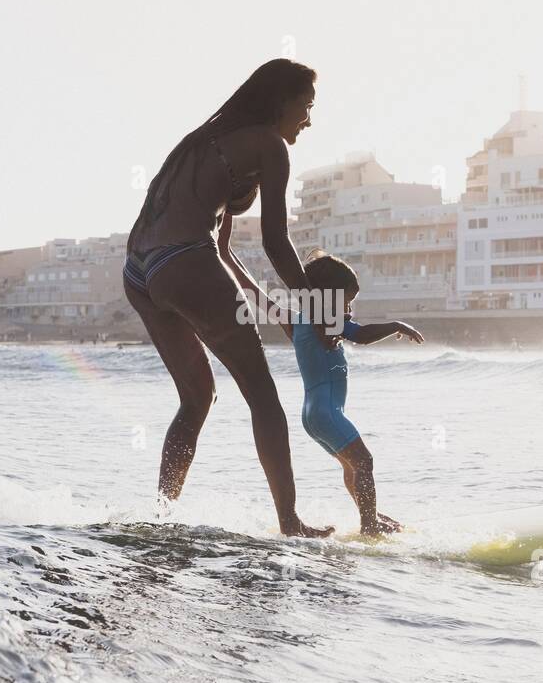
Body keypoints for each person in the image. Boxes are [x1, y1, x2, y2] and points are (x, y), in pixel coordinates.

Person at [122, 59, 334, 538]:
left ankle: (162, 516)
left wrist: (274, 309)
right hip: (184, 263)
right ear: (280, 101)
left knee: (197, 397)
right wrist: (314, 312)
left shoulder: (203, 143)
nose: (308, 119)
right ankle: (289, 522)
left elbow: (220, 252)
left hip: (139, 273)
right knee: (263, 395)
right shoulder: (269, 145)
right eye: (306, 106)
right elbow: (276, 243)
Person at [235, 251, 424, 537]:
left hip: (313, 415)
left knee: (352, 466)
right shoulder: (323, 318)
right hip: (325, 413)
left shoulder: (296, 320)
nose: (349, 309)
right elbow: (360, 335)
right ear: (329, 297)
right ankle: (370, 527)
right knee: (364, 462)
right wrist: (397, 325)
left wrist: (225, 253)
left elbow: (255, 294)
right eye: (347, 301)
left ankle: (370, 516)